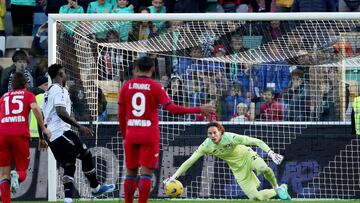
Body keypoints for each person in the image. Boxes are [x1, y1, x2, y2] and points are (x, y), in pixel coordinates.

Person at [118, 56, 215, 203]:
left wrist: (126, 135)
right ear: (152, 70)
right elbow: (172, 109)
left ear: (136, 69)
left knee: (130, 173)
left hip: (131, 134)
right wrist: (198, 109)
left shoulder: (127, 85)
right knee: (146, 175)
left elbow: (121, 113)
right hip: (149, 135)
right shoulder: (156, 87)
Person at [42, 64, 115, 203]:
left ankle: (68, 199)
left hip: (51, 135)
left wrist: (42, 136)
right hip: (61, 132)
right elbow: (60, 112)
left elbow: (43, 113)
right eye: (64, 72)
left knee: (69, 164)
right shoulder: (59, 90)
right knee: (86, 154)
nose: (66, 75)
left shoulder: (48, 91)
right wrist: (79, 126)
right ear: (60, 75)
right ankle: (95, 188)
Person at [165, 122, 291, 201]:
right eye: (210, 134)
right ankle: (279, 190)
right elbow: (190, 161)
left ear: (220, 132)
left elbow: (256, 141)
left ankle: (276, 186)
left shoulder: (230, 137)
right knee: (255, 198)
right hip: (237, 169)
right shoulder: (206, 146)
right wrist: (174, 177)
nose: (212, 136)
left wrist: (270, 153)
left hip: (247, 155)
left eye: (214, 133)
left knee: (264, 168)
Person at [0, 72, 51, 203]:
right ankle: (16, 175)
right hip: (19, 135)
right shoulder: (28, 95)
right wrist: (43, 128)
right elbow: (35, 109)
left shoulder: (3, 97)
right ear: (26, 84)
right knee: (21, 170)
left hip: (2, 136)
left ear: (12, 85)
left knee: (3, 174)